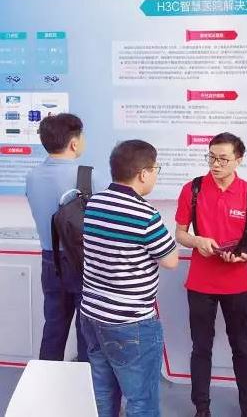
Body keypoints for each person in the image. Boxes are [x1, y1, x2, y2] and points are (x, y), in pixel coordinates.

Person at [80, 139, 179, 417]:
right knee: (141, 400)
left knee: (103, 392)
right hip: (130, 321)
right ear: (143, 174)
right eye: (156, 169)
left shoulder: (94, 202)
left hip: (92, 314)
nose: (156, 175)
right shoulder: (145, 214)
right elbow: (170, 260)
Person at [175, 132, 247, 417]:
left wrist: (246, 255)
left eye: (223, 159)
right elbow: (180, 234)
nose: (215, 165)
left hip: (236, 284)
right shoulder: (192, 189)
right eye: (212, 158)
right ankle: (201, 408)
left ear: (238, 160)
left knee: (242, 346)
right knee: (200, 347)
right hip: (200, 283)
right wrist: (198, 241)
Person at [25, 113, 108, 362]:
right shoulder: (90, 176)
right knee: (87, 332)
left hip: (50, 261)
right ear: (74, 143)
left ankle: (45, 381)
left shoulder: (32, 176)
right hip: (85, 261)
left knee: (53, 328)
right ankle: (85, 383)